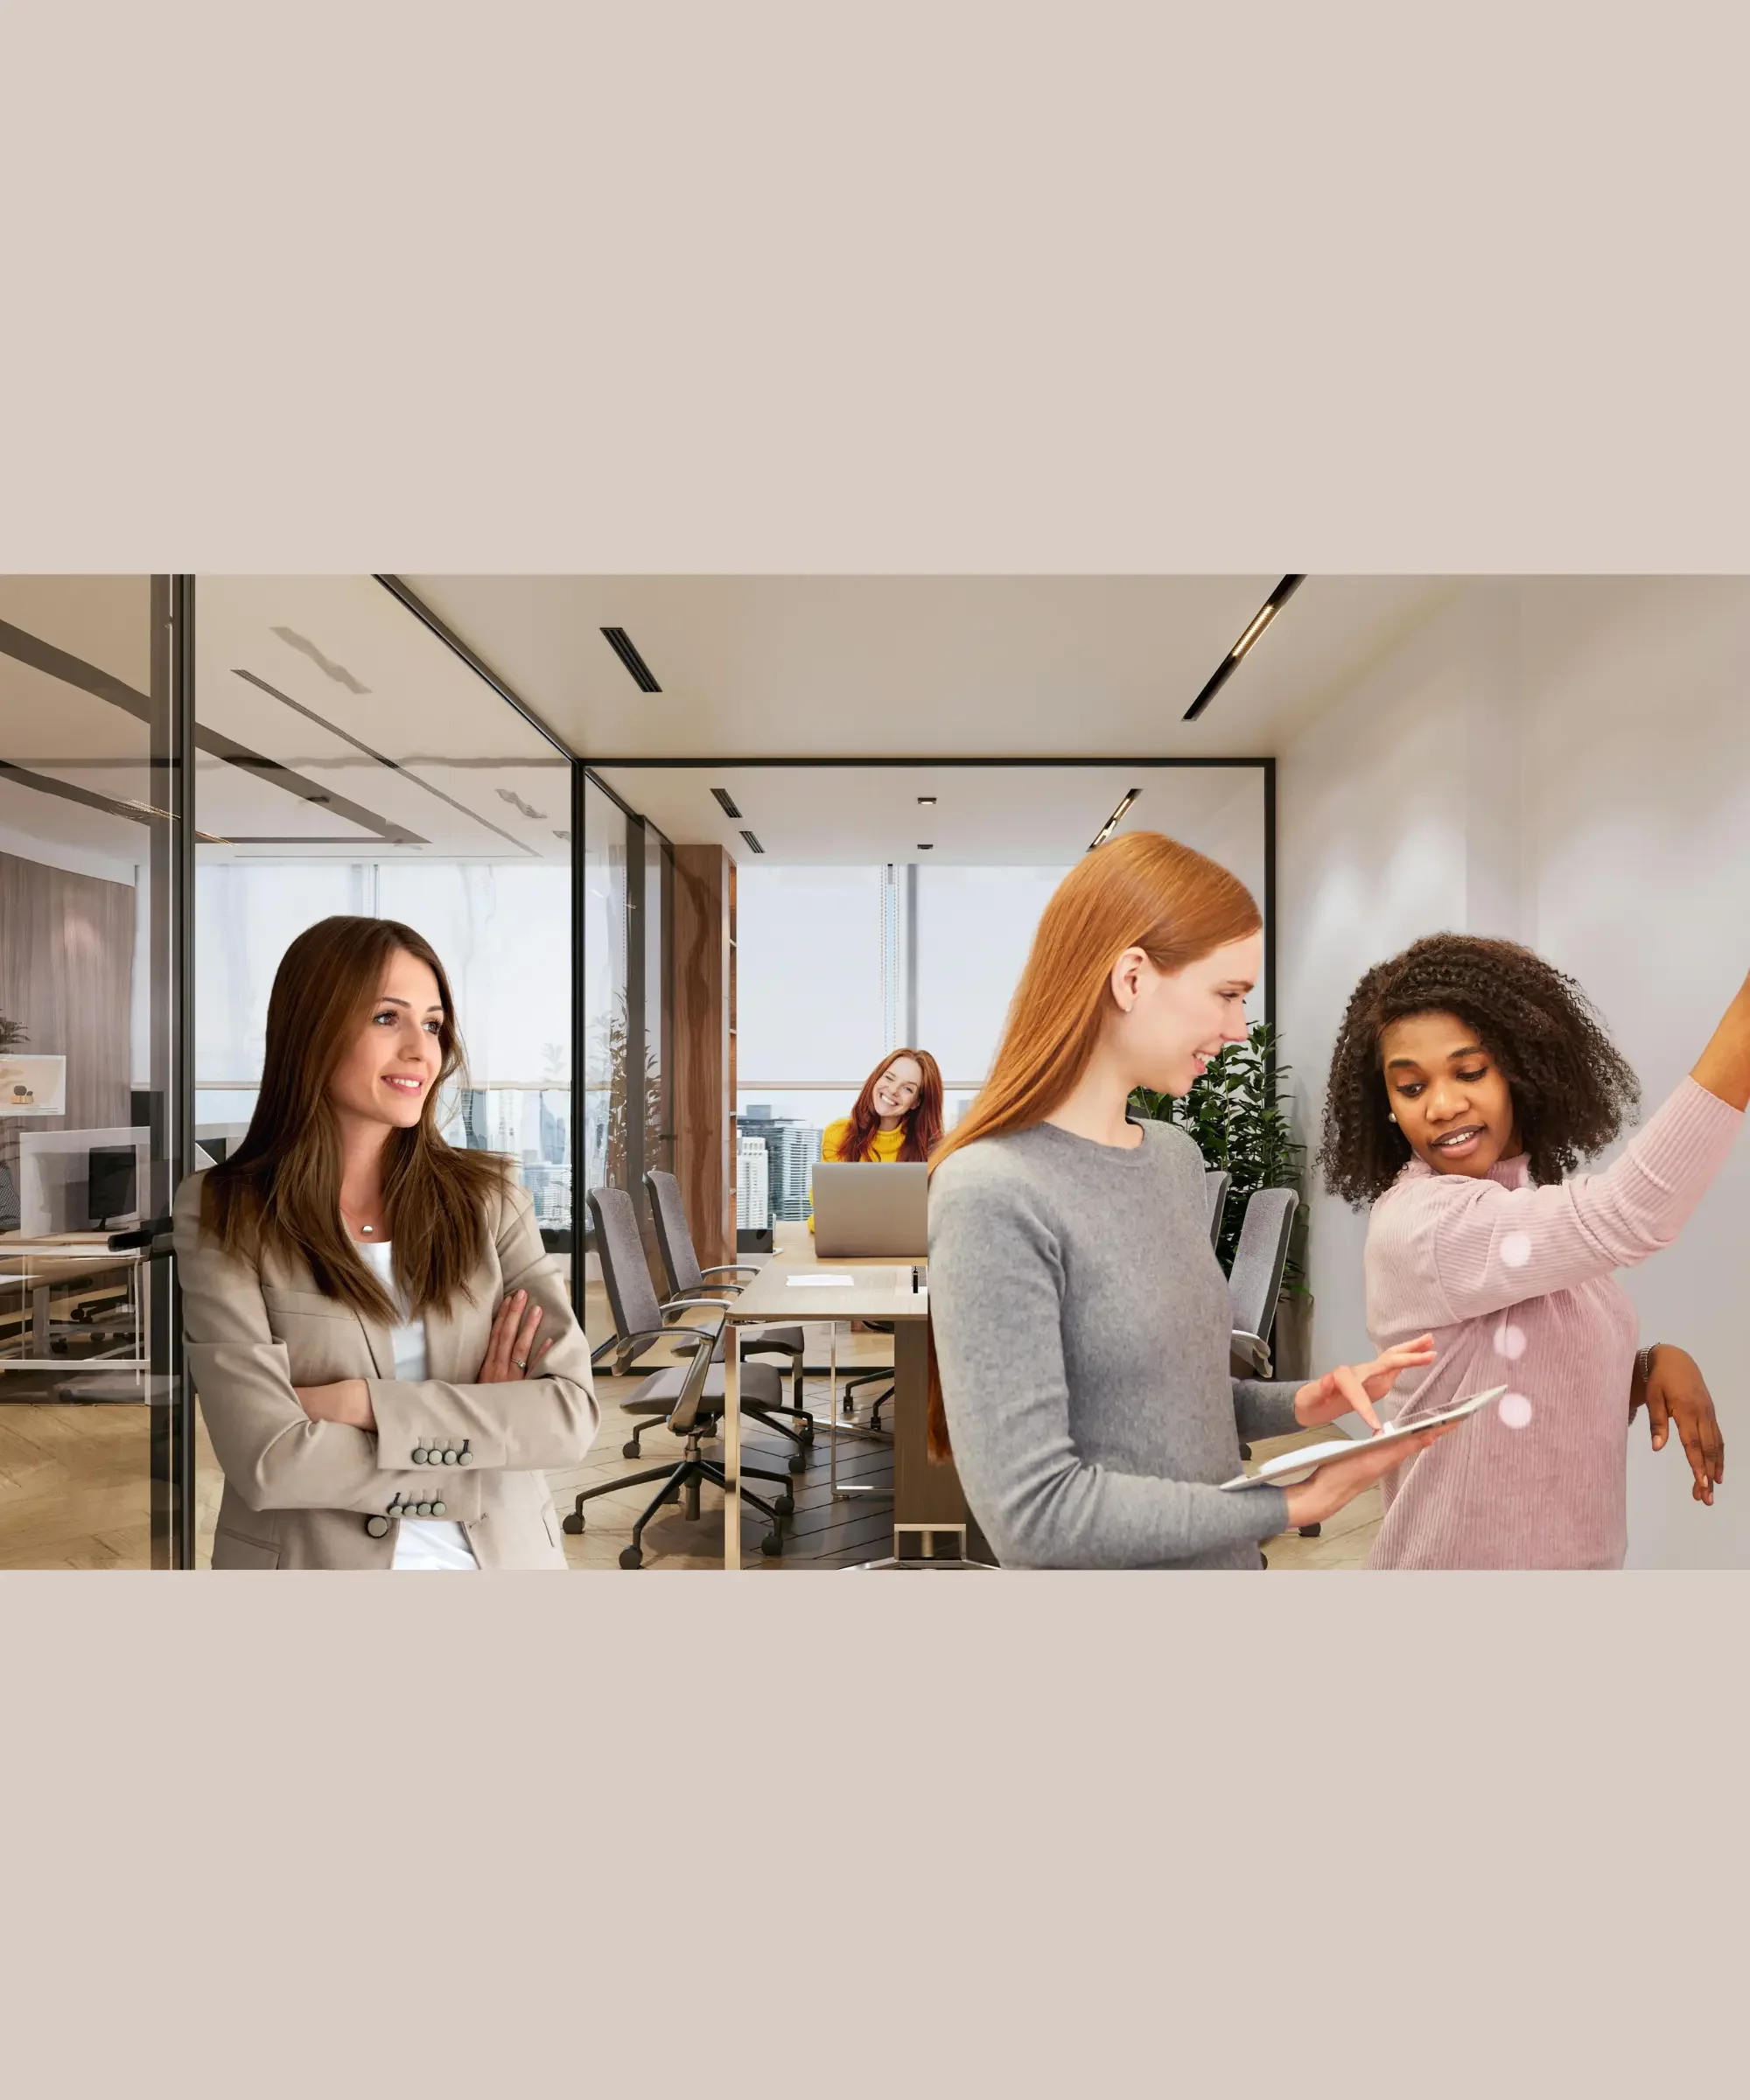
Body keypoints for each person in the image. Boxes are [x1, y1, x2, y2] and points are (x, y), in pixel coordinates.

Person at [925, 832, 1452, 1570]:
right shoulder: (994, 1192)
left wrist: (1307, 1403)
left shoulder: (1173, 1157)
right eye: (1227, 995)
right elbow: (1034, 1515)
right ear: (1133, 978)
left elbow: (1168, 1407)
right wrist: (1292, 1502)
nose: (1238, 1030)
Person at [174, 914, 599, 1571]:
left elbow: (568, 1414)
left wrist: (360, 1404)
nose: (421, 1051)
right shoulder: (225, 1212)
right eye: (386, 1018)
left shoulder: (490, 1200)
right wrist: (481, 1439)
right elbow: (267, 1459)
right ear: (312, 1029)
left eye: (432, 1024)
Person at [1319, 934, 1746, 1570]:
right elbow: (1633, 1212)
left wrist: (1648, 1366)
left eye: (1469, 1072)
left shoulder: (1524, 1208)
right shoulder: (1426, 1225)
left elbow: (1540, 1373)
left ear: (1521, 1068)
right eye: (1410, 1088)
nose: (1441, 1105)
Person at [807, 1047, 943, 1233]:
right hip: (847, 1253)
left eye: (908, 1088)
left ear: (916, 1102)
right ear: (877, 1078)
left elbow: (934, 1221)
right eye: (889, 1078)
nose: (893, 1090)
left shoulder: (931, 1149)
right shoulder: (838, 1134)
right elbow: (823, 1216)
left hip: (904, 1256)